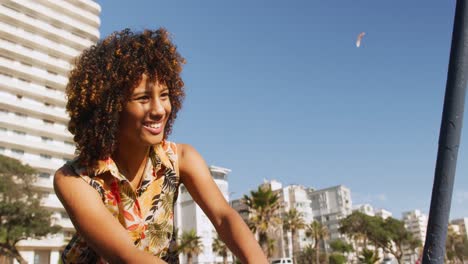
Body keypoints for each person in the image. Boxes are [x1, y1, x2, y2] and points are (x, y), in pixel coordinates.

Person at [54, 28, 268, 264]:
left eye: (164, 95)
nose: (159, 110)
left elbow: (224, 217)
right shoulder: (73, 179)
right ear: (110, 108)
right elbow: (126, 256)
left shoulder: (182, 158)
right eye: (143, 98)